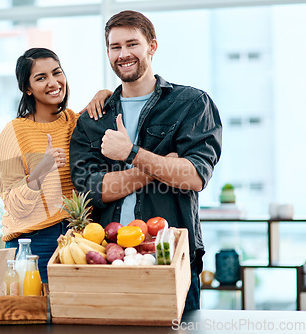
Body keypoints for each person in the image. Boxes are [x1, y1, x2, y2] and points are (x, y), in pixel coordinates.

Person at [69, 10, 222, 310]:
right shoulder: (93, 119)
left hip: (169, 258)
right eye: (115, 47)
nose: (123, 54)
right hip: (105, 258)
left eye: (132, 44)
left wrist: (131, 154)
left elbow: (193, 177)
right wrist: (160, 166)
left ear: (152, 46)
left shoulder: (190, 104)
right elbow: (92, 190)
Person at [0, 48, 109, 283]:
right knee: (36, 317)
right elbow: (14, 206)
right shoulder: (14, 132)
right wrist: (41, 171)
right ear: (27, 88)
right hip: (33, 243)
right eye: (41, 78)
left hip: (80, 236)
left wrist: (105, 93)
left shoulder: (77, 123)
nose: (53, 82)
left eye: (57, 73)